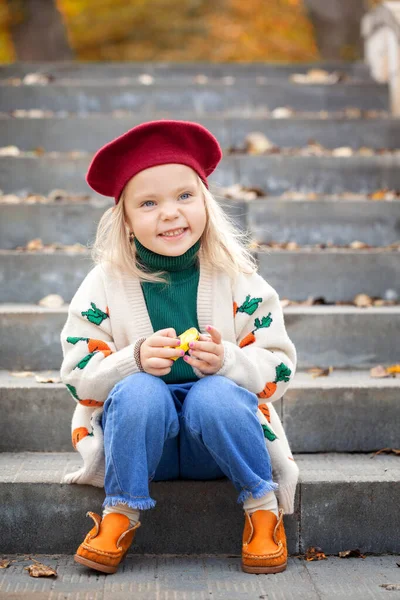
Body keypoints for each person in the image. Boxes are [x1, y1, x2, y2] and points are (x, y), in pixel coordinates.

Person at [59, 119, 298, 576]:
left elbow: (279, 367)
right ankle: (120, 514)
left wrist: (230, 360)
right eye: (148, 203)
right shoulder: (104, 284)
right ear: (125, 222)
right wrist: (132, 360)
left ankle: (263, 510)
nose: (170, 213)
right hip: (144, 449)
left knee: (215, 393)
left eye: (184, 196)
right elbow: (77, 377)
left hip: (222, 444)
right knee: (140, 391)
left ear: (206, 203)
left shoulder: (238, 279)